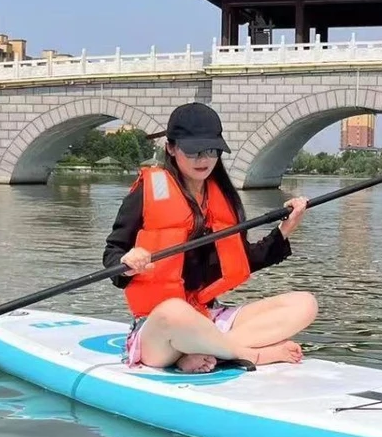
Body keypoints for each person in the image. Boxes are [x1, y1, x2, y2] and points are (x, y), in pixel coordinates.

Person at [103, 102, 318, 373]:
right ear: (171, 148)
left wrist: (285, 230)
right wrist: (127, 260)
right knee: (174, 310)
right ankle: (251, 354)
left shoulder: (223, 196)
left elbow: (242, 259)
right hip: (160, 329)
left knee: (304, 304)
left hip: (207, 318)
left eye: (211, 151)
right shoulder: (148, 191)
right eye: (193, 151)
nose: (203, 160)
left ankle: (206, 351)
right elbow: (112, 255)